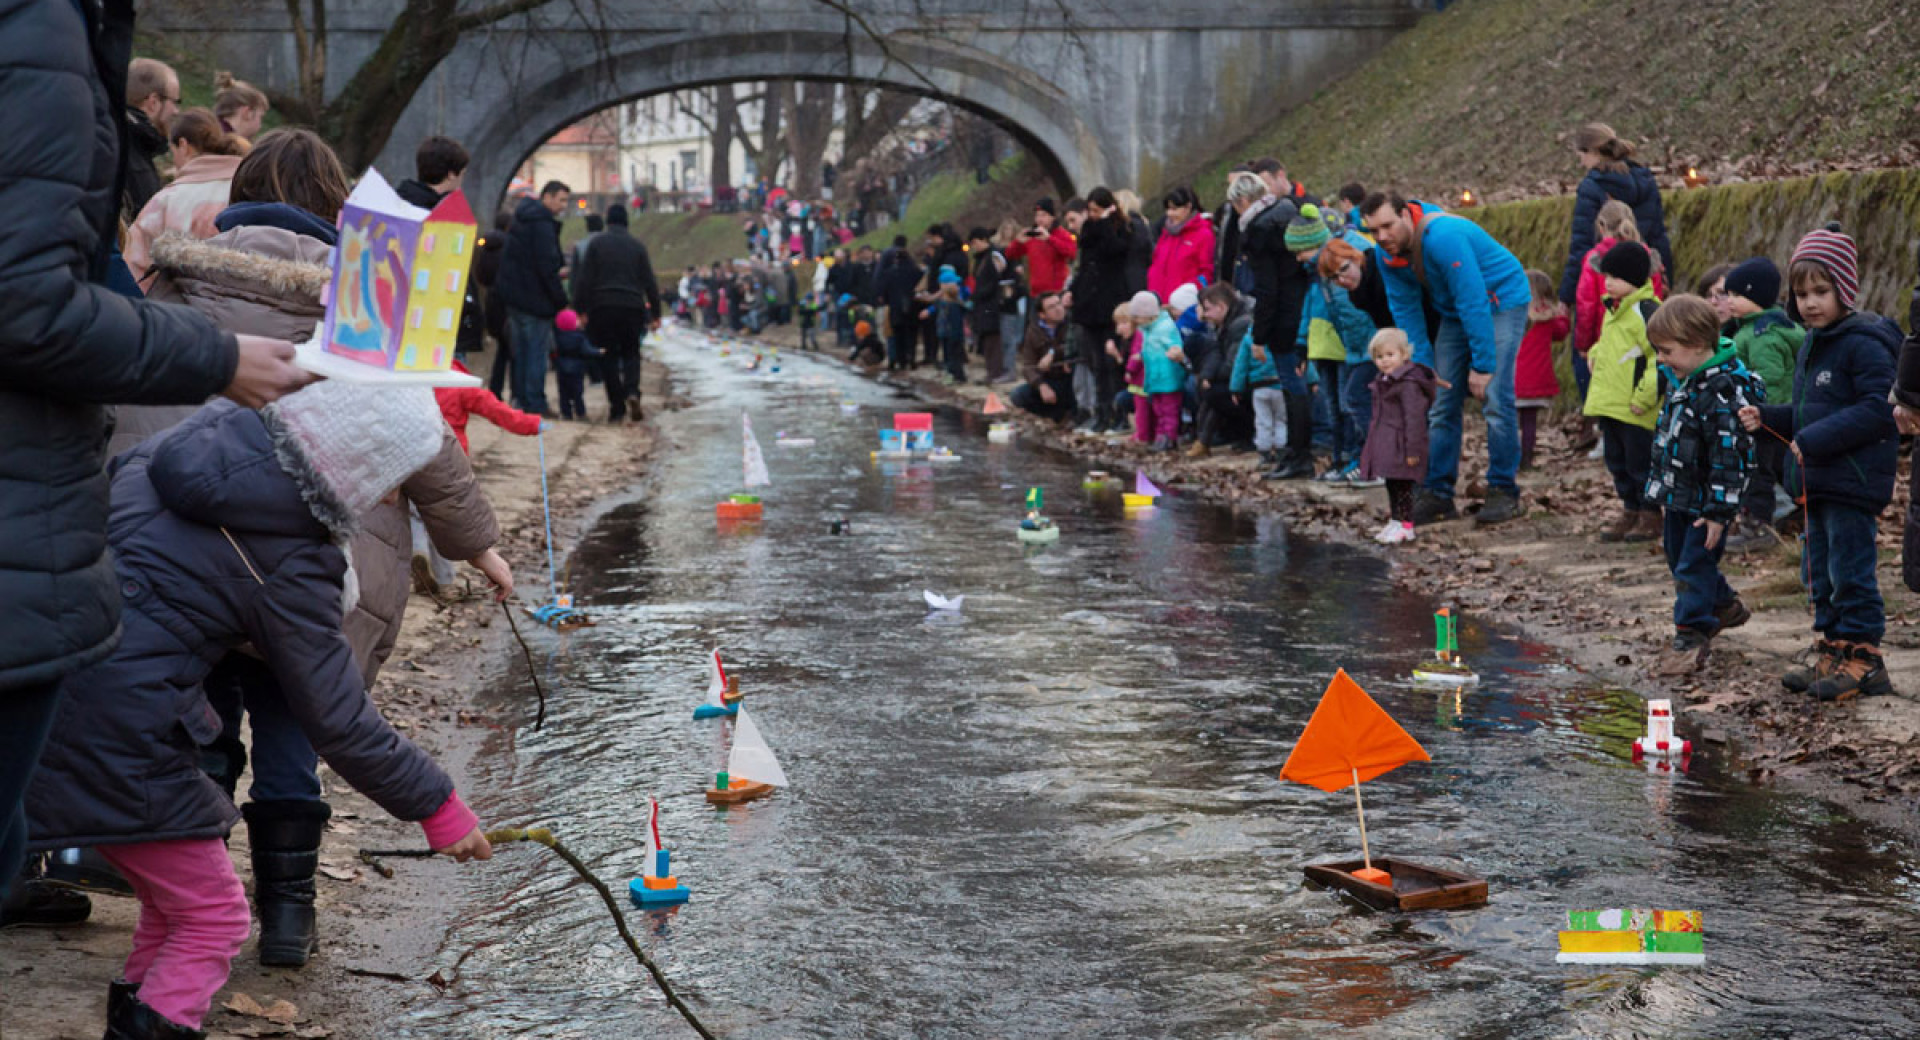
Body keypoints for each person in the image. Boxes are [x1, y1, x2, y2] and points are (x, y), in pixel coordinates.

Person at [26, 384, 493, 1037]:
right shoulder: (292, 559)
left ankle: (135, 1012)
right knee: (215, 915)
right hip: (120, 735)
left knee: (172, 905)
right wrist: (438, 805)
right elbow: (338, 716)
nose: (392, 499)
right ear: (358, 471)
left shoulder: (187, 443)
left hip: (44, 692)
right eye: (391, 483)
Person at [1, 0, 309, 927]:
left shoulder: (170, 232)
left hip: (136, 517)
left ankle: (148, 860)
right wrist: (218, 360)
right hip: (41, 523)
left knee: (181, 698)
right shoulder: (42, 39)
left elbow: (97, 282)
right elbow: (35, 304)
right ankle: (266, 906)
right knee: (288, 701)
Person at [1741, 225, 1901, 701]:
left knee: (1852, 571)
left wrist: (1813, 438)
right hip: (1818, 482)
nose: (1810, 303)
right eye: (1802, 293)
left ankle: (1864, 659)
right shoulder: (1813, 342)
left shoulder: (1864, 342)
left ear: (1845, 289)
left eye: (1821, 292)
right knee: (1820, 572)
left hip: (1852, 481)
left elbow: (1878, 409)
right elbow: (1812, 412)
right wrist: (1770, 418)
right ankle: (1831, 648)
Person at [1362, 191, 1532, 525]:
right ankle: (1438, 493)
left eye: (1387, 226)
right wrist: (1423, 368)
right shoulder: (1386, 255)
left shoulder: (1444, 237)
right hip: (1454, 311)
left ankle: (1504, 490)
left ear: (1405, 216)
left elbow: (1473, 300)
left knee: (1495, 397)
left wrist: (1483, 366)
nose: (1382, 237)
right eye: (1374, 231)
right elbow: (1406, 310)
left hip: (1500, 300)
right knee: (1439, 400)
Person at [1643, 295, 1762, 675]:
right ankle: (1724, 604)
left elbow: (1731, 458)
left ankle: (1691, 633)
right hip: (1678, 496)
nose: (1661, 359)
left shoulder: (1719, 392)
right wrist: (1662, 491)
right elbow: (1670, 440)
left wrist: (1718, 512)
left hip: (1708, 503)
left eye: (1666, 351)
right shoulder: (1683, 380)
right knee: (1680, 561)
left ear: (1696, 345)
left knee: (1693, 565)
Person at [1232, 171, 1314, 479]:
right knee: (1298, 388)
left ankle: (1298, 456)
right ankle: (1298, 453)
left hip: (1283, 318)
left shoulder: (1259, 229)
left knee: (1293, 388)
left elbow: (1266, 289)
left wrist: (1259, 335)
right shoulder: (1287, 211)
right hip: (1302, 309)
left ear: (1243, 201)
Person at [1719, 257, 1802, 549]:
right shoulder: (1748, 330)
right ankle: (1788, 516)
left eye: (1737, 296)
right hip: (1763, 416)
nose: (1730, 302)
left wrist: (1761, 412)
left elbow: (1770, 380)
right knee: (1776, 470)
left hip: (1765, 417)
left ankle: (1758, 525)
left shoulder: (1762, 335)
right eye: (1728, 295)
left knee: (1758, 472)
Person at [1585, 241, 1664, 543]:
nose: (1608, 284)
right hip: (1610, 402)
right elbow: (1611, 343)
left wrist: (1645, 396)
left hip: (1635, 406)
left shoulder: (1646, 312)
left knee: (1639, 462)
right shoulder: (1613, 310)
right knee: (1616, 461)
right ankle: (1629, 509)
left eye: (1614, 278)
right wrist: (1594, 352)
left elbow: (1658, 357)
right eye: (1606, 277)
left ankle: (1649, 513)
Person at [1290, 205, 1375, 482]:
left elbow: (1354, 314)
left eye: (1299, 250)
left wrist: (1364, 350)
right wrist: (1302, 343)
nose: (1297, 258)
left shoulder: (1341, 261)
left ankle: (1365, 460)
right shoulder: (1317, 271)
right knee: (1337, 405)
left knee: (1352, 402)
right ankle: (1345, 459)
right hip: (1342, 347)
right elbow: (1312, 309)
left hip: (1358, 348)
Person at [124, 108, 249, 286]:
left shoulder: (167, 201)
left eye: (173, 150)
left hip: (180, 307)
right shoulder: (252, 190)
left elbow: (135, 268)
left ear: (183, 145)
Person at [1558, 123, 1674, 312]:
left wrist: (1566, 296)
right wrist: (1666, 278)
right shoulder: (1646, 180)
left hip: (1606, 283)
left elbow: (1582, 244)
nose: (1581, 163)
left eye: (1581, 156)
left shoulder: (1592, 187)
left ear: (1592, 152)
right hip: (1646, 278)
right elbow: (1658, 235)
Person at [395, 136, 486, 362]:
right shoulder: (443, 216)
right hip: (438, 329)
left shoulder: (398, 208)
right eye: (462, 174)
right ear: (451, 174)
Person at [571, 203, 661, 422]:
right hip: (632, 306)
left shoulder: (597, 244)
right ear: (626, 222)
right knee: (631, 352)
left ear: (608, 221)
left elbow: (584, 279)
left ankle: (617, 407)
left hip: (602, 307)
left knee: (608, 356)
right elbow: (650, 281)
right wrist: (656, 313)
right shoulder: (637, 247)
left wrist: (580, 309)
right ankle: (631, 390)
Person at [495, 180, 571, 416]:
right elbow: (546, 266)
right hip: (535, 300)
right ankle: (536, 403)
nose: (564, 206)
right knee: (536, 353)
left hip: (515, 298)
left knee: (521, 353)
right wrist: (561, 301)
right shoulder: (541, 225)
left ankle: (520, 399)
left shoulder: (521, 219)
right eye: (561, 200)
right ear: (547, 197)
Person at [1359, 329, 1435, 544]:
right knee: (1391, 483)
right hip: (1388, 443)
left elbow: (1415, 419)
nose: (1384, 361)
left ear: (1404, 355)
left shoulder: (1408, 384)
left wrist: (1413, 449)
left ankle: (1407, 525)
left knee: (1404, 486)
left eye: (1389, 355)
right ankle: (1395, 520)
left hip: (1403, 444)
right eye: (1379, 357)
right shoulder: (1384, 381)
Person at [1069, 188, 1135, 433]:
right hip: (1090, 304)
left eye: (1098, 211)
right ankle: (1102, 413)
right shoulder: (1088, 231)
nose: (1094, 216)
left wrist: (1107, 221)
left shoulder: (1121, 228)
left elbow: (1115, 251)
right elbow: (1085, 263)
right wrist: (1074, 291)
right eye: (1091, 211)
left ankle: (1118, 415)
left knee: (1111, 362)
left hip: (1110, 301)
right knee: (1096, 363)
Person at [1573, 200, 1667, 359]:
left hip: (1604, 341)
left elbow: (1586, 305)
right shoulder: (1648, 257)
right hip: (1642, 340)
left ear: (1601, 226)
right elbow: (1656, 298)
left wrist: (1584, 345)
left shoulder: (1595, 258)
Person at [1191, 282, 1253, 456]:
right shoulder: (1224, 323)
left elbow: (1234, 365)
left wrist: (1210, 377)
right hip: (1239, 377)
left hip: (1251, 380)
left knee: (1214, 393)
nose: (1204, 316)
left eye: (1207, 309)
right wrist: (1207, 375)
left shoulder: (1240, 324)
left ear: (1221, 307)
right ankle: (1204, 440)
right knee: (1207, 388)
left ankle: (1242, 434)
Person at [1516, 271, 1569, 469]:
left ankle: (1509, 458)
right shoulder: (1548, 319)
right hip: (1536, 380)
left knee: (1509, 423)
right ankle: (1526, 459)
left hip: (1512, 379)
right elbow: (1561, 332)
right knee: (1529, 422)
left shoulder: (1513, 315)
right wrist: (1564, 315)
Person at [123, 57, 179, 217]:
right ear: (153, 102)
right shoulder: (132, 154)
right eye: (175, 101)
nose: (176, 111)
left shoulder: (128, 141)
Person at [1133, 291, 1187, 451]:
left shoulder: (1164, 328)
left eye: (1137, 317)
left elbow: (1175, 348)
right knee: (1158, 409)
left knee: (1169, 409)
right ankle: (1160, 436)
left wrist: (1175, 353)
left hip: (1168, 377)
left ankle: (1169, 438)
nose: (1135, 322)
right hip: (1155, 377)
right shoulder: (1148, 330)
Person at [968, 226, 1021, 384]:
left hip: (993, 305)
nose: (973, 246)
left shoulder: (993, 257)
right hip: (987, 305)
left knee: (1000, 340)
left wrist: (979, 294)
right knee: (990, 341)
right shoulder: (982, 258)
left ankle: (1001, 371)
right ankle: (994, 371)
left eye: (975, 242)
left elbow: (995, 280)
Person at [1011, 292, 1075, 421]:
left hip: (1070, 378)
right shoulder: (1034, 331)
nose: (1058, 309)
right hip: (1049, 380)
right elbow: (1028, 365)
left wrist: (1053, 353)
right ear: (1042, 314)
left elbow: (1073, 345)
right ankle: (1053, 415)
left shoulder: (1072, 322)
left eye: (1058, 304)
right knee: (1018, 395)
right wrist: (1041, 385)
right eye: (1051, 307)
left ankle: (1069, 414)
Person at [1148, 185, 1215, 302]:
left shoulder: (1204, 235)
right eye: (1168, 209)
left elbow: (1206, 272)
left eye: (1174, 209)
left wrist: (1187, 295)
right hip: (1158, 301)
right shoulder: (1166, 233)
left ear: (1188, 207)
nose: (1169, 214)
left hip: (1183, 305)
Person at [1005, 197, 1077, 298]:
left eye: (1043, 215)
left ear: (1052, 217)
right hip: (1036, 294)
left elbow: (1071, 252)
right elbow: (1009, 254)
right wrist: (1017, 241)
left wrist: (1049, 239)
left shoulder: (1061, 234)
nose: (1039, 219)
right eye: (1037, 215)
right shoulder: (1031, 236)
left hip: (1057, 293)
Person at [478, 211, 513, 397]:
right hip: (507, 302)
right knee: (512, 350)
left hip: (491, 301)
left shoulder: (486, 248)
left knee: (502, 348)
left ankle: (495, 389)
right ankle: (515, 393)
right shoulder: (511, 247)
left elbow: (481, 276)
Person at [552, 309, 599, 420]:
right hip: (577, 369)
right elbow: (587, 350)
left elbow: (553, 351)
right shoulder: (580, 337)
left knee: (563, 393)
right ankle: (580, 412)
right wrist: (598, 351)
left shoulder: (557, 337)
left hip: (562, 368)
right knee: (577, 392)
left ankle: (566, 413)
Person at [924, 271, 969, 384]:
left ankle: (957, 376)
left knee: (953, 357)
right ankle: (953, 375)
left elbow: (955, 323)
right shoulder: (944, 303)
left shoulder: (952, 305)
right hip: (946, 334)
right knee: (949, 357)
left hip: (951, 335)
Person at [212, 71, 268, 140]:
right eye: (260, 117)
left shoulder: (208, 134)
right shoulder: (227, 146)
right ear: (247, 113)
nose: (260, 126)